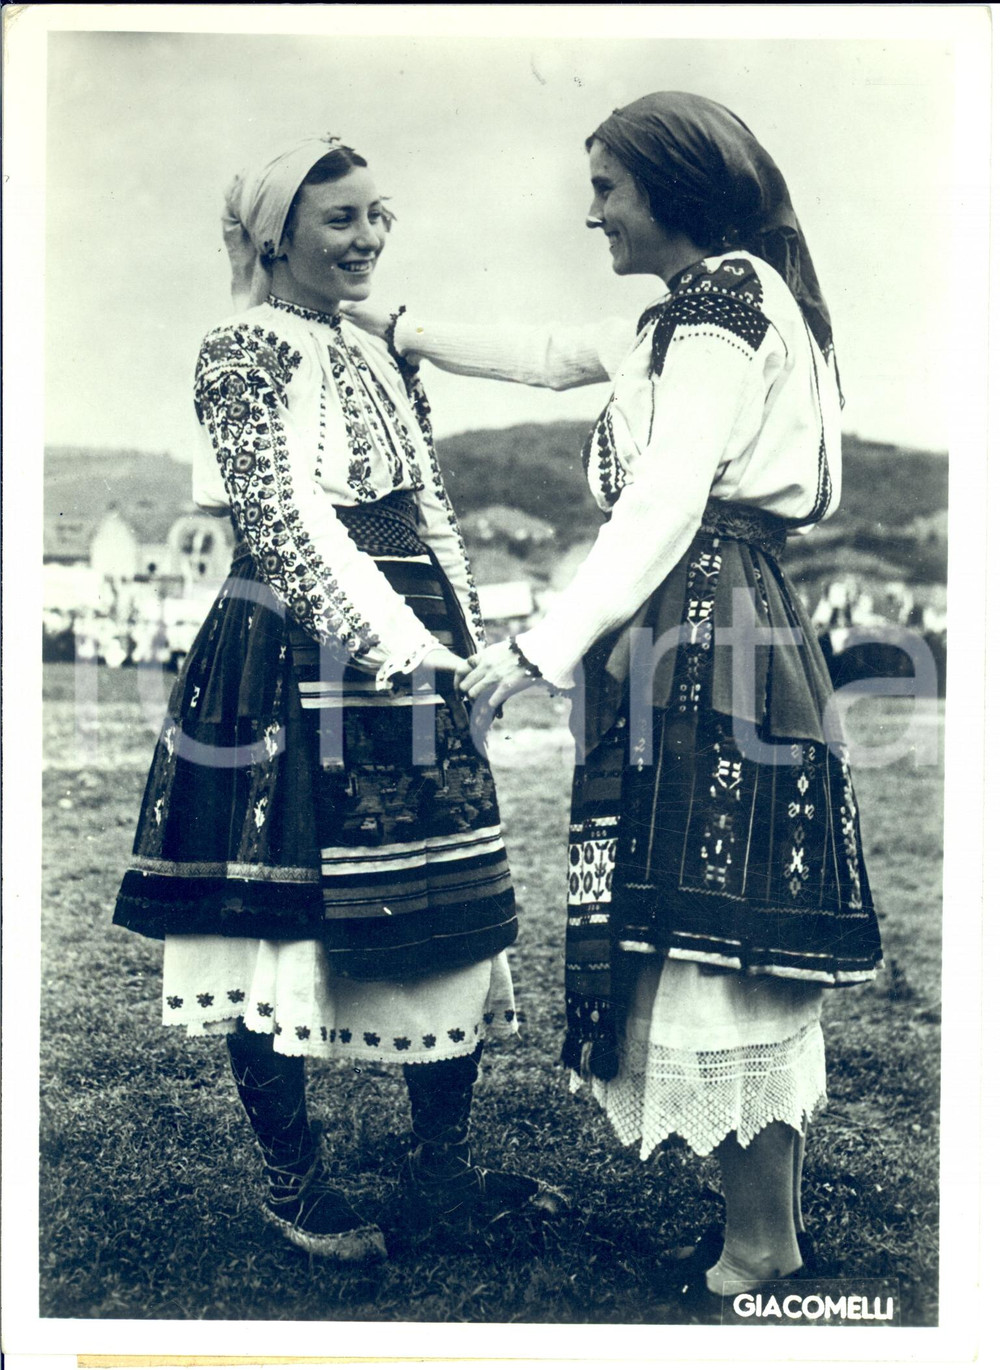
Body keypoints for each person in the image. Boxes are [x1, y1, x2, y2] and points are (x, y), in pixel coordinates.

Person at [348, 92, 882, 1316]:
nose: (589, 211)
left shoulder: (718, 314)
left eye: (606, 187)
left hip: (707, 632)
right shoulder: (701, 309)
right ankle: (766, 1235)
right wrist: (387, 321)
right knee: (715, 925)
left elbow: (664, 499)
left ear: (673, 191)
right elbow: (545, 353)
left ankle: (760, 1250)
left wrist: (537, 645)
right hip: (706, 628)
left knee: (715, 935)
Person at [113, 134, 556, 1264]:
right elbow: (285, 521)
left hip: (415, 646)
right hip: (291, 643)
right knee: (278, 923)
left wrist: (462, 640)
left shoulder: (377, 354)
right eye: (341, 219)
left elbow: (430, 510)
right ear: (276, 233)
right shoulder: (237, 350)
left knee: (445, 910)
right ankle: (292, 1184)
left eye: (377, 216)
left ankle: (441, 1170)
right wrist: (396, 646)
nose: (367, 239)